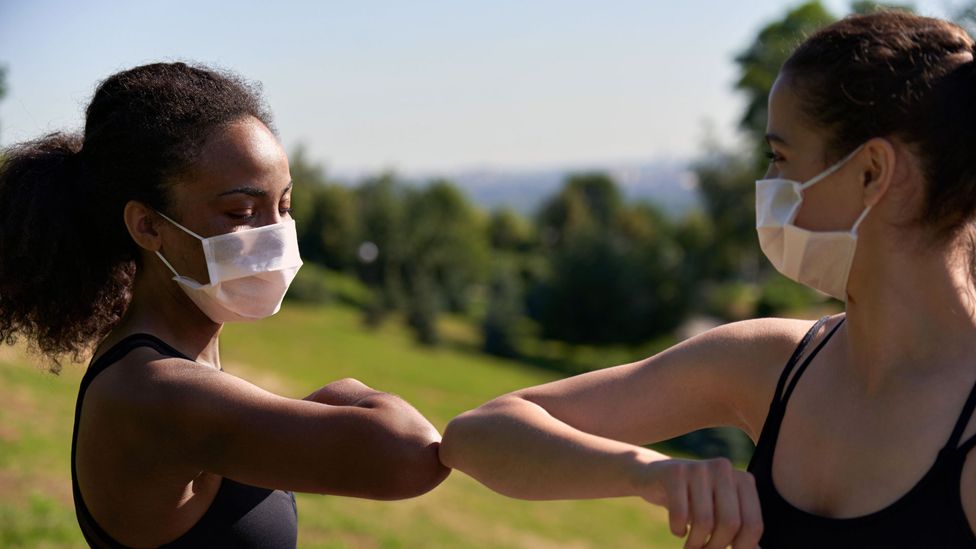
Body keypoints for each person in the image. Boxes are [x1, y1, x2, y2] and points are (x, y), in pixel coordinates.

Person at [440, 11, 976, 549]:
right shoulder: (770, 365)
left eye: (779, 157)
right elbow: (479, 433)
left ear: (872, 172)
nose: (767, 184)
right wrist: (646, 472)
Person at [0, 62, 449, 548]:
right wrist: (344, 393)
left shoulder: (177, 367)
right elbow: (409, 455)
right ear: (148, 226)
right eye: (240, 212)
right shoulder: (154, 391)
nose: (275, 234)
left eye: (284, 206)